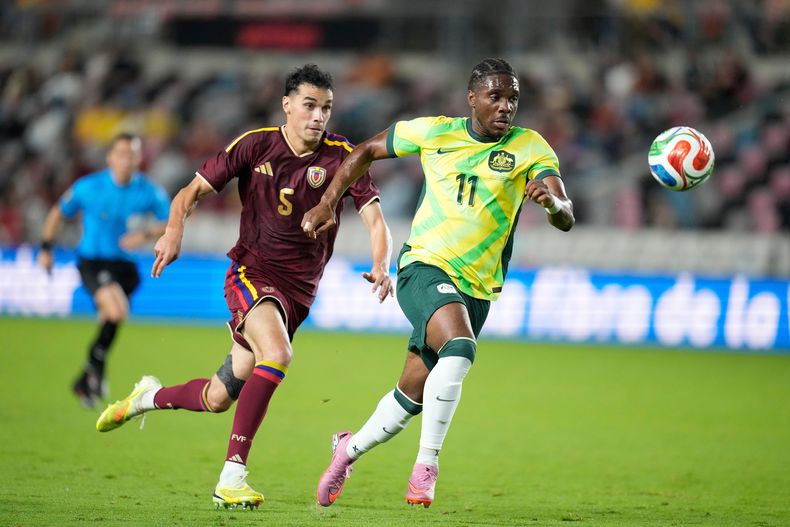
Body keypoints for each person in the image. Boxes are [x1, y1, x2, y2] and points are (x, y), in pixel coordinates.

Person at [94, 64, 393, 510]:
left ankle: (145, 398)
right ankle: (232, 477)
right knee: (278, 354)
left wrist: (381, 264)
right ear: (287, 105)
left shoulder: (343, 157)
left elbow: (375, 220)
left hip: (298, 295)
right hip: (252, 275)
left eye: (326, 108)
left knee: (217, 397)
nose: (318, 116)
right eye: (309, 105)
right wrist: (173, 230)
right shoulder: (255, 145)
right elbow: (188, 193)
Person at [302, 58, 575, 508]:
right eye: (495, 97)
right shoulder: (435, 132)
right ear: (472, 99)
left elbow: (566, 213)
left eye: (512, 98)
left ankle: (346, 451)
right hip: (424, 266)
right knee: (461, 347)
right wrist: (330, 201)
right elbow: (365, 150)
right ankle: (426, 468)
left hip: (478, 288)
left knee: (410, 397)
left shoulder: (530, 146)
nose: (505, 106)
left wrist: (551, 205)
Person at [38, 133, 170, 408]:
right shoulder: (89, 187)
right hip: (94, 261)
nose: (126, 160)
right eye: (121, 154)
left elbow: (171, 220)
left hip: (126, 268)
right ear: (110, 157)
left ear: (139, 159)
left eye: (132, 155)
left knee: (111, 319)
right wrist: (46, 248)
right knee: (116, 311)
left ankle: (85, 379)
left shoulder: (148, 191)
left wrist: (145, 234)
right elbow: (58, 213)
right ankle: (96, 371)